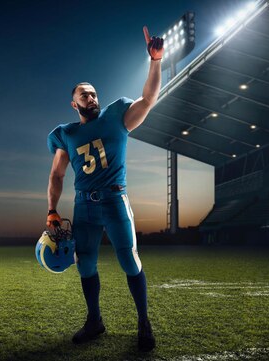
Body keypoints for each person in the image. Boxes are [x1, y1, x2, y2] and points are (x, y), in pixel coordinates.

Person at [45, 26, 163, 352]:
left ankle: (143, 321)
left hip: (114, 199)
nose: (91, 97)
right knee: (86, 264)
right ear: (73, 103)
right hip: (84, 206)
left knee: (129, 259)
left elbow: (150, 98)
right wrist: (52, 210)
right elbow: (57, 175)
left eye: (94, 92)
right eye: (84, 94)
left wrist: (155, 61)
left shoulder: (116, 116)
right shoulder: (65, 133)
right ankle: (95, 320)